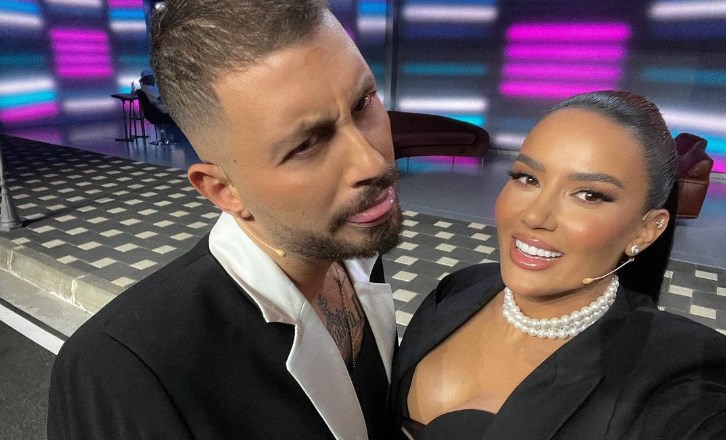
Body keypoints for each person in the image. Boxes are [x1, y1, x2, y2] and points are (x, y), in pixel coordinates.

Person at [48, 1, 402, 439]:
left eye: (363, 102)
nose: (371, 162)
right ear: (223, 190)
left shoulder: (351, 246)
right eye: (307, 144)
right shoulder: (122, 374)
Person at [391, 91, 726, 439]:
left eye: (589, 195)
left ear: (646, 229)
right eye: (527, 178)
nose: (535, 216)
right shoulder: (458, 288)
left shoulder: (675, 374)